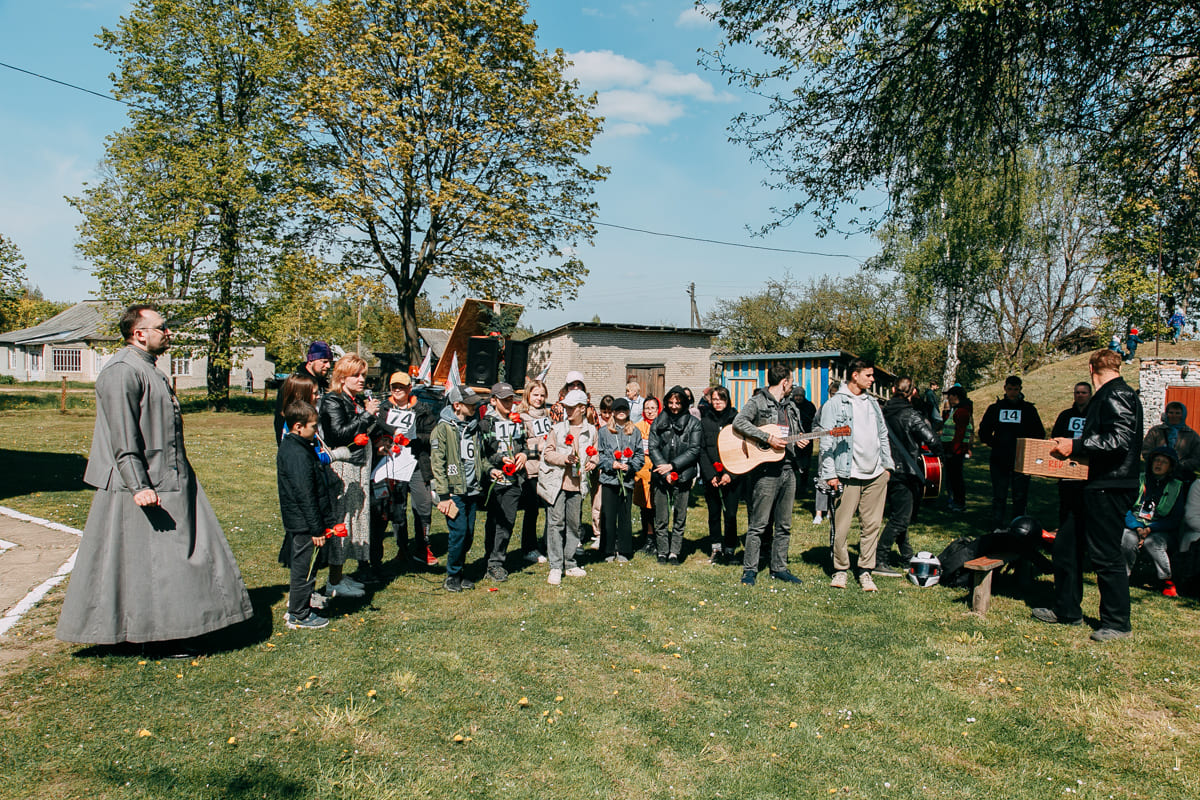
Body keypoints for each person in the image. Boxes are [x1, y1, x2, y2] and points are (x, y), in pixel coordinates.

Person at [56, 305, 253, 651]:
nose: (168, 333)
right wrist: (139, 485)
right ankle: (161, 637)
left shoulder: (148, 368)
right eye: (161, 327)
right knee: (153, 563)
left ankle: (177, 628)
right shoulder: (122, 371)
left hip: (169, 477)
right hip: (143, 484)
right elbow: (123, 437)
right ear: (139, 334)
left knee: (172, 559)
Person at [1035, 348, 1143, 642]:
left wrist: (1076, 446)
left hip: (1111, 485)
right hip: (1093, 484)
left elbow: (1119, 441)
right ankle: (1067, 610)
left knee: (1106, 554)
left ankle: (1117, 624)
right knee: (1066, 545)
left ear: (1091, 368)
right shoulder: (1109, 394)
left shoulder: (1117, 393)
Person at [817, 359, 894, 592]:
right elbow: (826, 442)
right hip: (846, 474)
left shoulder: (873, 403)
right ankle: (840, 569)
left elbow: (882, 434)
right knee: (841, 528)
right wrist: (830, 473)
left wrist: (887, 466)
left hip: (876, 474)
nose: (872, 379)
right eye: (868, 375)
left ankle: (865, 570)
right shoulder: (835, 404)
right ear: (854, 375)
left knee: (871, 526)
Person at [732, 364, 807, 585]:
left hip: (788, 469)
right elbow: (739, 422)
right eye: (791, 382)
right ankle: (750, 570)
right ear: (784, 382)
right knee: (758, 524)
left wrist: (800, 438)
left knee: (784, 524)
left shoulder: (792, 406)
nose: (792, 386)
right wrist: (767, 438)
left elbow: (794, 433)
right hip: (765, 471)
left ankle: (779, 568)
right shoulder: (757, 402)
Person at [318, 353, 380, 598]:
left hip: (359, 466)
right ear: (342, 378)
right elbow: (338, 434)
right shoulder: (333, 401)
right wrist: (367, 415)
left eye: (363, 374)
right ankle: (333, 581)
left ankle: (339, 575)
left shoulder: (354, 400)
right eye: (356, 375)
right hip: (344, 468)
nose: (362, 379)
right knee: (343, 520)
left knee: (355, 522)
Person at [276, 401, 335, 630]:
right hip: (303, 523)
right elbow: (305, 494)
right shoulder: (296, 453)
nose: (316, 430)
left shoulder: (302, 446)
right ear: (298, 426)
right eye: (313, 426)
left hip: (306, 521)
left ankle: (301, 605)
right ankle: (298, 613)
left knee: (308, 565)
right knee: (304, 568)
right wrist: (316, 529)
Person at [877, 378, 941, 575]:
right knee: (900, 518)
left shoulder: (881, 412)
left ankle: (907, 557)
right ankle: (879, 558)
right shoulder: (911, 415)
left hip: (885, 468)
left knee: (899, 514)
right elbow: (932, 440)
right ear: (913, 392)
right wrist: (938, 454)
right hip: (906, 471)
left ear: (893, 389)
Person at [375, 371, 437, 568]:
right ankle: (402, 548)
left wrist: (415, 438)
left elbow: (433, 435)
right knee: (397, 507)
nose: (397, 390)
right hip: (393, 463)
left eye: (401, 386)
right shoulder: (383, 409)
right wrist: (384, 441)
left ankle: (423, 546)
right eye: (394, 386)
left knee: (423, 504)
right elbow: (376, 432)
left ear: (410, 388)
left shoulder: (423, 409)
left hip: (417, 462)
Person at [537, 389, 599, 584]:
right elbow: (547, 454)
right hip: (557, 484)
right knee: (556, 523)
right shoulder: (557, 429)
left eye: (572, 408)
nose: (568, 411)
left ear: (582, 408)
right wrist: (564, 458)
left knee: (574, 524)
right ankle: (556, 566)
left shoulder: (591, 430)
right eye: (567, 407)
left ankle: (570, 562)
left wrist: (593, 462)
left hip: (578, 485)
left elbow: (595, 453)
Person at [430, 384, 487, 592]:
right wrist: (444, 495)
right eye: (469, 404)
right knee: (459, 532)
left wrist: (488, 472)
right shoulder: (442, 429)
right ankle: (452, 575)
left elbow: (479, 456)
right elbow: (438, 463)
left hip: (472, 489)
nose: (474, 408)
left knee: (469, 533)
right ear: (456, 405)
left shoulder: (473, 428)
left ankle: (460, 570)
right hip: (454, 492)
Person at [978, 375, 1046, 528]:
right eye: (1010, 389)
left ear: (1020, 389)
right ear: (1005, 389)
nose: (1012, 393)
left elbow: (1039, 433)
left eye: (1015, 389)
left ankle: (1019, 526)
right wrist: (996, 444)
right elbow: (984, 431)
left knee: (1020, 495)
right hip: (999, 457)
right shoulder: (995, 409)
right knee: (999, 494)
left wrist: (1028, 448)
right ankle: (997, 525)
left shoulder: (1028, 410)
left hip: (1021, 459)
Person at [480, 381, 529, 583]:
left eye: (511, 399)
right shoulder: (486, 423)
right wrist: (499, 459)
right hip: (495, 479)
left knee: (507, 522)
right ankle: (489, 558)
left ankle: (497, 562)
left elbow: (524, 445)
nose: (509, 403)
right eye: (504, 400)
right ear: (493, 401)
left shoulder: (518, 421)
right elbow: (482, 453)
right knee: (493, 521)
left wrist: (524, 455)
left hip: (514, 480)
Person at [1121, 446, 1185, 598]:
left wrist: (1150, 529)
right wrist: (1138, 527)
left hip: (1161, 529)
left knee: (1153, 543)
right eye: (1156, 460)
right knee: (1127, 538)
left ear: (1171, 467)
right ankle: (1123, 577)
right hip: (1136, 524)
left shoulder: (1177, 486)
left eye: (1164, 462)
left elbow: (1175, 518)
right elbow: (1125, 507)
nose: (1159, 464)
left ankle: (1166, 580)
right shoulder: (1140, 480)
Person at [649, 385, 703, 565]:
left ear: (684, 403)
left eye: (677, 403)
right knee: (661, 516)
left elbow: (694, 450)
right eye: (671, 402)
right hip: (661, 474)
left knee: (680, 516)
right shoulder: (658, 421)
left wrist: (673, 466)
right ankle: (662, 551)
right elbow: (653, 447)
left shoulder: (694, 423)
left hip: (683, 473)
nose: (674, 406)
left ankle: (674, 552)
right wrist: (664, 469)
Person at [597, 397, 645, 562]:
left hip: (626, 480)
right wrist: (611, 464)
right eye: (618, 410)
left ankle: (624, 549)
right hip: (609, 479)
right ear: (613, 412)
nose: (621, 413)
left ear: (628, 412)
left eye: (624, 410)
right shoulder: (604, 431)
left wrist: (630, 466)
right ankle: (608, 550)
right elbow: (599, 454)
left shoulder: (635, 431)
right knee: (608, 515)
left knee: (625, 515)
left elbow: (639, 455)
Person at [699, 385, 741, 563]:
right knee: (714, 513)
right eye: (714, 399)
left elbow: (741, 449)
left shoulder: (736, 419)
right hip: (712, 476)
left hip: (731, 474)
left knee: (730, 514)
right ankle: (716, 547)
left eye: (721, 399)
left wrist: (729, 474)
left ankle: (730, 548)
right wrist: (710, 475)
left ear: (727, 400)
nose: (717, 403)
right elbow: (702, 449)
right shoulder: (705, 421)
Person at [517, 379, 553, 563]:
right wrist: (535, 448)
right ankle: (529, 547)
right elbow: (518, 445)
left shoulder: (547, 416)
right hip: (530, 470)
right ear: (528, 395)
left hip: (547, 468)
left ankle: (549, 542)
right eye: (535, 394)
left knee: (551, 508)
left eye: (542, 395)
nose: (539, 398)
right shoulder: (521, 417)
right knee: (532, 510)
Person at [274, 340, 333, 443]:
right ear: (311, 361)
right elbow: (281, 418)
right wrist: (284, 445)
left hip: (321, 442)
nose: (328, 366)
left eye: (329, 362)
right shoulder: (296, 383)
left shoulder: (324, 384)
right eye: (324, 361)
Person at [1051, 382, 1093, 526]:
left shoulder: (1094, 416)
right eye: (1077, 393)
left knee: (1085, 503)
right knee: (1066, 501)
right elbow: (1055, 436)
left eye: (1084, 393)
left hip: (1087, 464)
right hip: (1066, 463)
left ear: (1090, 395)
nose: (1080, 395)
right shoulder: (1065, 415)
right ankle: (1064, 530)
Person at [1142, 401, 1200, 478]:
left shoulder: (1192, 435)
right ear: (1166, 414)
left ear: (1183, 415)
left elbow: (1197, 457)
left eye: (1177, 413)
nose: (1174, 416)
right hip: (1156, 474)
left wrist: (1180, 465)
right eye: (1171, 413)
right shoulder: (1156, 431)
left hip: (1180, 475)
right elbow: (1146, 450)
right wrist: (1158, 462)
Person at [587, 395, 615, 548]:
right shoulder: (596, 424)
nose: (607, 415)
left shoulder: (616, 425)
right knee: (597, 501)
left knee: (610, 502)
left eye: (610, 412)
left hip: (611, 468)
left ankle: (610, 531)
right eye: (604, 412)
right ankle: (598, 532)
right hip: (598, 467)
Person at [940, 386, 973, 513]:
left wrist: (954, 450)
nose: (948, 399)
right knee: (952, 477)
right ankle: (953, 500)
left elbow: (959, 433)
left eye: (949, 396)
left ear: (955, 396)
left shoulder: (961, 412)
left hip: (955, 451)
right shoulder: (956, 410)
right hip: (952, 450)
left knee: (956, 478)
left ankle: (959, 502)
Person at [633, 396, 659, 546]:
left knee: (657, 506)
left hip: (657, 471)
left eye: (652, 408)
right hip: (642, 472)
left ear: (658, 410)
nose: (650, 411)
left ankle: (657, 536)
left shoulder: (662, 426)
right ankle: (647, 536)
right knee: (644, 507)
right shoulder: (637, 427)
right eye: (647, 408)